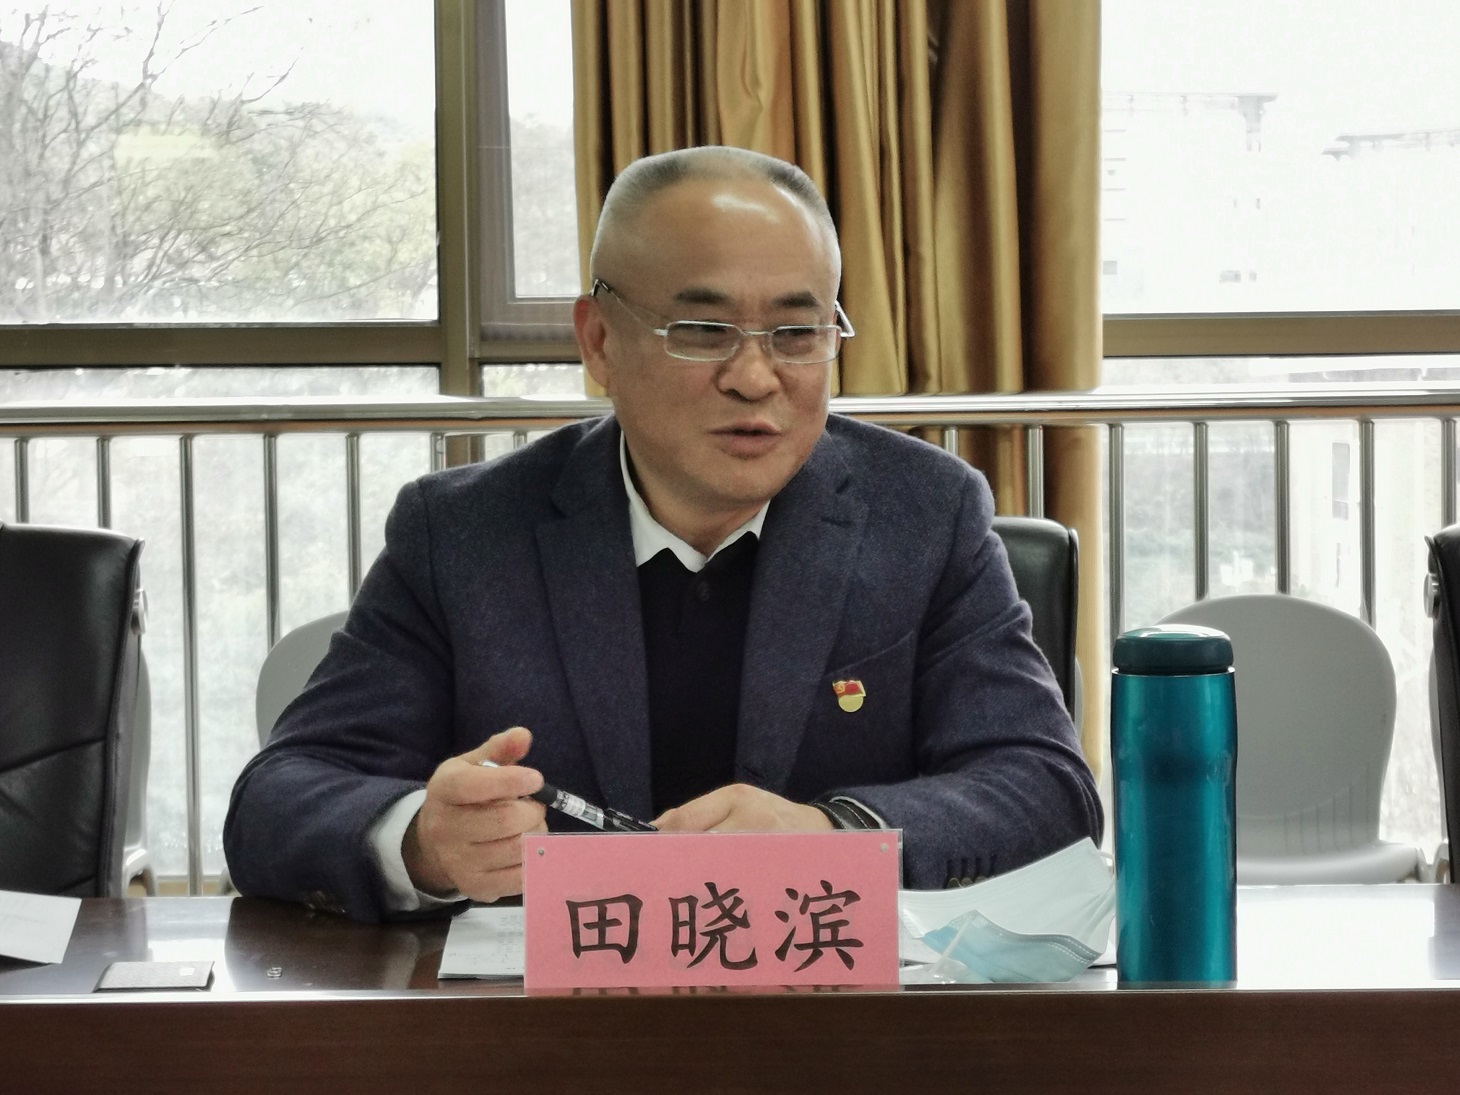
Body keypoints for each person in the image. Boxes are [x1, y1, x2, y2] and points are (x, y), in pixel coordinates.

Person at [224, 146, 1102, 922]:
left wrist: (833, 836)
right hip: (551, 1026)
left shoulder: (925, 513)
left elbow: (1045, 785)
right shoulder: (464, 534)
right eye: (704, 331)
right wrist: (423, 840)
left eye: (797, 332)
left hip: (838, 1019)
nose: (755, 376)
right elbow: (281, 796)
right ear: (599, 342)